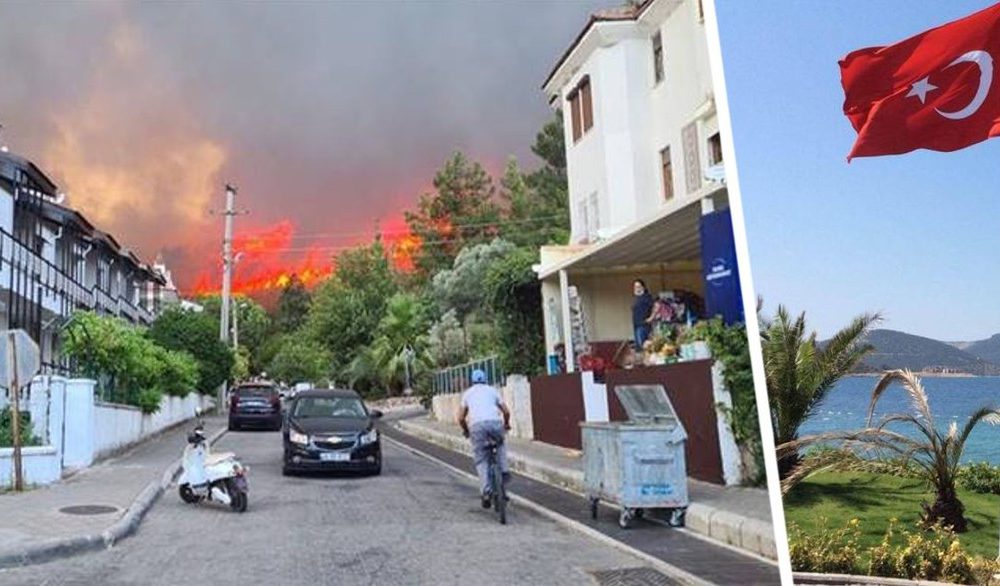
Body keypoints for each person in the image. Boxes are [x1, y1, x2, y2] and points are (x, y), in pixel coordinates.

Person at [457, 369, 511, 509]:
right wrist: (506, 424)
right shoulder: (492, 390)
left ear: (472, 380)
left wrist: (466, 430)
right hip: (495, 424)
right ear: (485, 379)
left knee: (481, 459)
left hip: (477, 427)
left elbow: (461, 418)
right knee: (500, 444)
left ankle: (486, 492)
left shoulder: (468, 393)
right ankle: (504, 470)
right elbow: (506, 411)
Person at [632, 279, 655, 349]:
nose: (637, 288)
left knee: (644, 346)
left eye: (639, 286)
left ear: (643, 287)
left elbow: (656, 307)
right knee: (639, 347)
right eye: (635, 287)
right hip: (636, 325)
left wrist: (651, 318)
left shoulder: (647, 297)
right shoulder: (636, 298)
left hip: (644, 325)